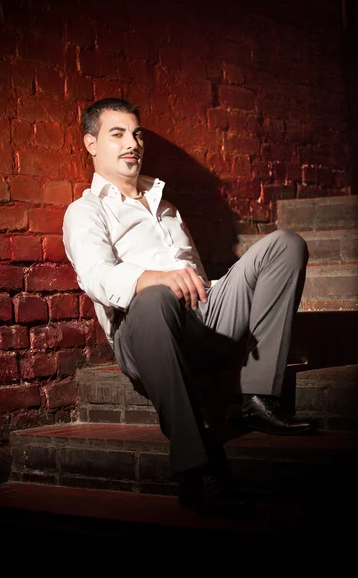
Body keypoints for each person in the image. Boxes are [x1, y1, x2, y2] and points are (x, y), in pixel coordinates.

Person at [63, 97, 315, 516]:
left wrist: (221, 290)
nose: (132, 143)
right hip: (143, 329)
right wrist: (151, 279)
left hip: (202, 316)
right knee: (156, 296)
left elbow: (195, 273)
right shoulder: (86, 211)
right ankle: (197, 469)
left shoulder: (165, 205)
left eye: (136, 133)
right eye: (118, 134)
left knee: (284, 244)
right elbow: (96, 277)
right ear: (91, 144)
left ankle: (257, 398)